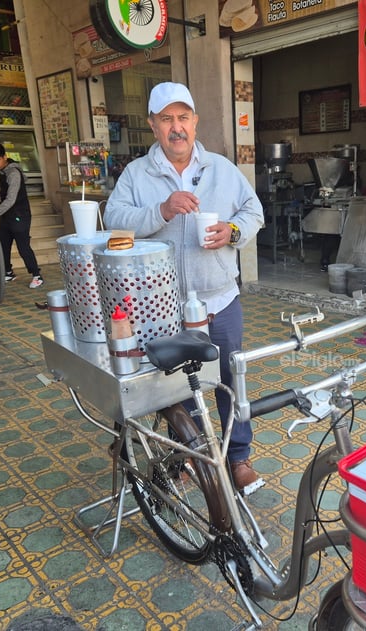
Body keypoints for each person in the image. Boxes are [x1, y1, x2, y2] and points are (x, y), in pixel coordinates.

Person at [104, 82, 265, 494]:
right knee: (177, 387)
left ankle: (238, 458)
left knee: (231, 379)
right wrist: (161, 210)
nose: (176, 127)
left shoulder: (222, 169)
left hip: (220, 299)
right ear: (153, 126)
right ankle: (185, 456)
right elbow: (114, 219)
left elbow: (253, 211)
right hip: (164, 306)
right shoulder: (137, 175)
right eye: (166, 119)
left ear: (195, 122)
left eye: (183, 118)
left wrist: (232, 231)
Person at [0, 142, 43, 288]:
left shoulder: (13, 173)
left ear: (5, 157)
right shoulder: (3, 171)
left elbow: (10, 200)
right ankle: (8, 273)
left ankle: (37, 275)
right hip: (7, 216)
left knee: (23, 247)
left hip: (19, 216)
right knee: (3, 245)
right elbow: (5, 196)